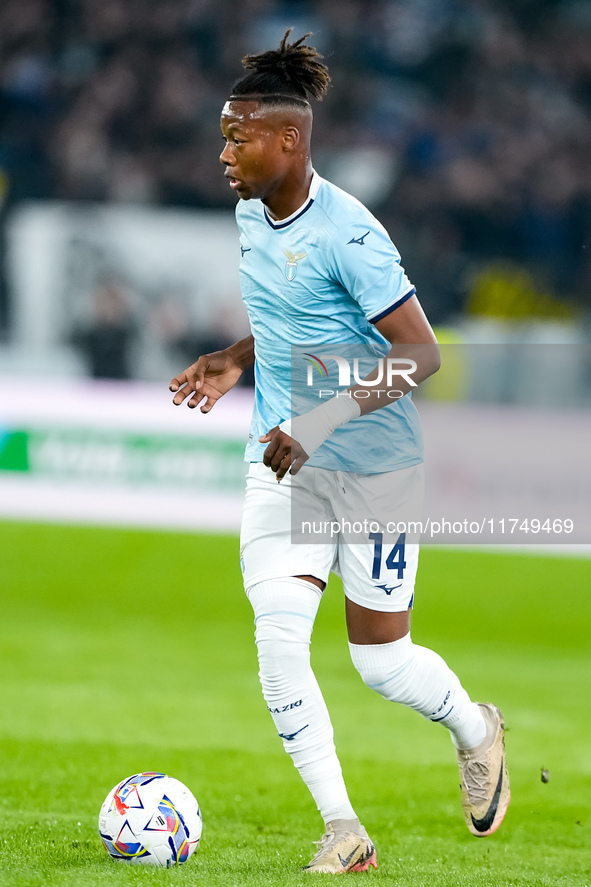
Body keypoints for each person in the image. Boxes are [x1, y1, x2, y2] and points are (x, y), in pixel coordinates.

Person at [170, 30, 510, 874]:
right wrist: (234, 359)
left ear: (287, 140)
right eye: (221, 134)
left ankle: (476, 729)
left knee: (382, 662)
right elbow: (290, 316)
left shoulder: (350, 233)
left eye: (235, 136)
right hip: (279, 459)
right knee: (278, 636)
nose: (224, 153)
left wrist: (318, 422)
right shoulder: (252, 212)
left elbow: (421, 353)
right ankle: (342, 827)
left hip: (370, 462)